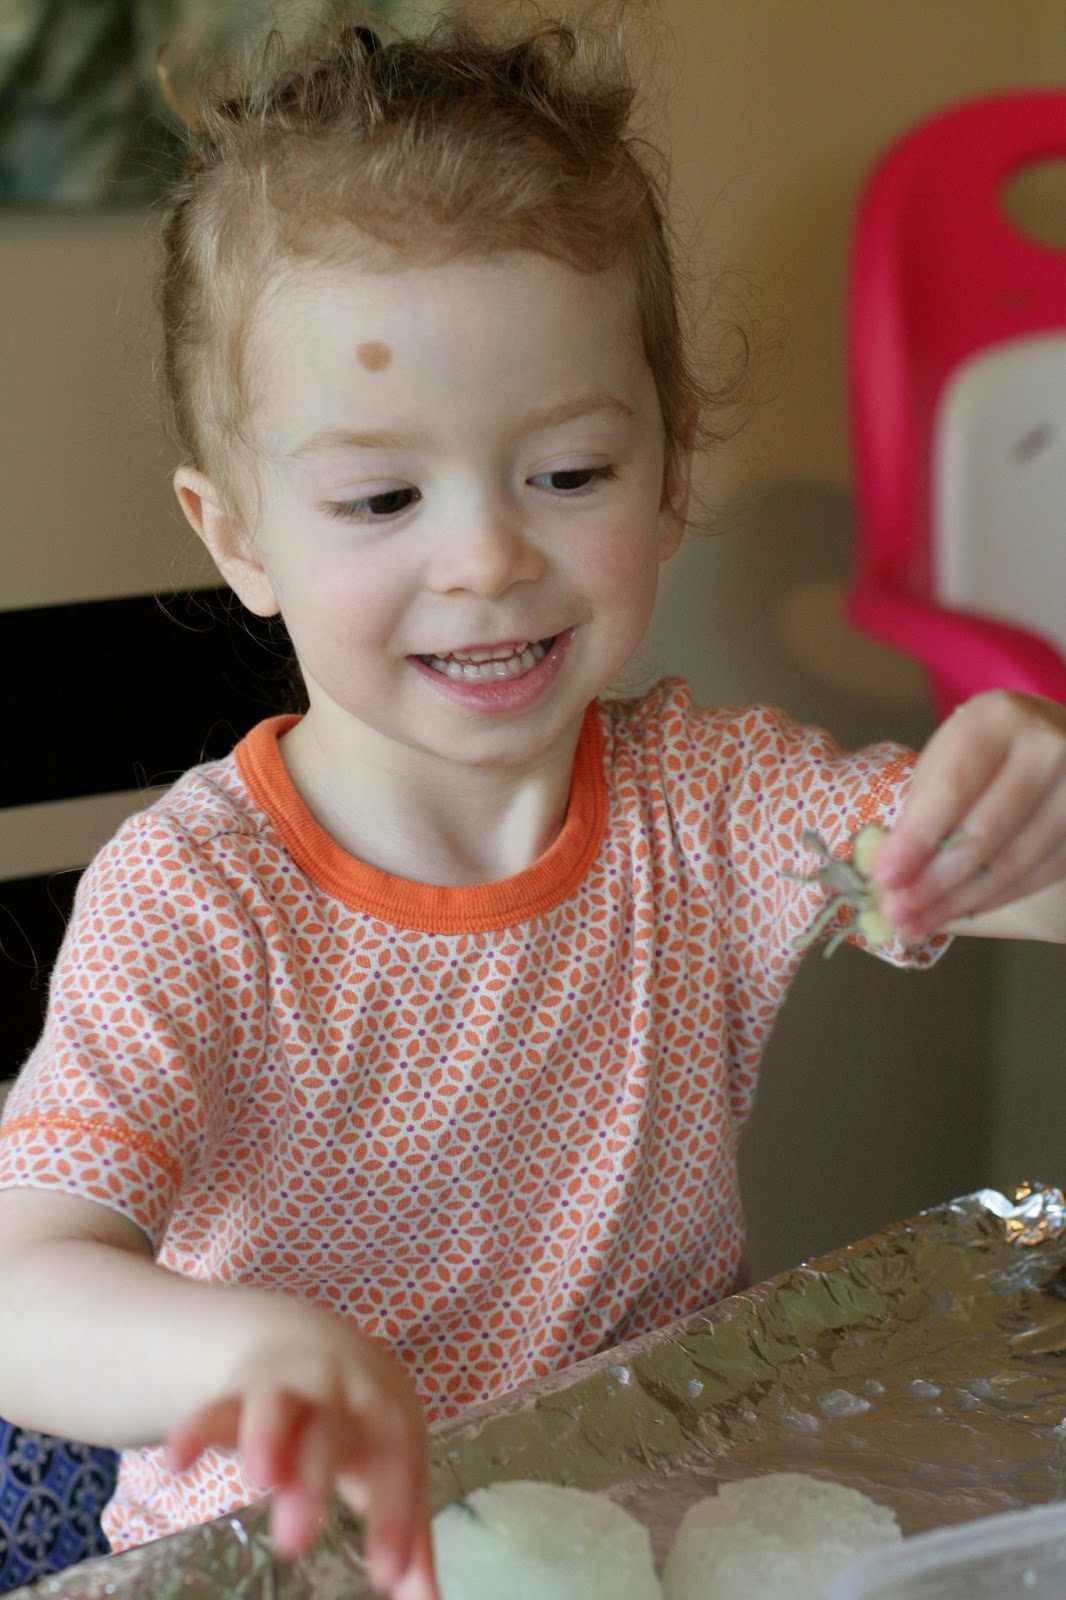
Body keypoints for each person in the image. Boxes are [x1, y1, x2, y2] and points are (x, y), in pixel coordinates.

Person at [1, 10, 1065, 1599]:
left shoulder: (711, 804)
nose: (486, 559)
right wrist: (259, 1353)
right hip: (287, 1560)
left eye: (564, 473)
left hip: (638, 1520)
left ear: (666, 475)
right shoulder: (196, 898)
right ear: (236, 538)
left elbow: (1004, 878)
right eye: (379, 498)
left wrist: (1030, 801)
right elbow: (23, 1291)